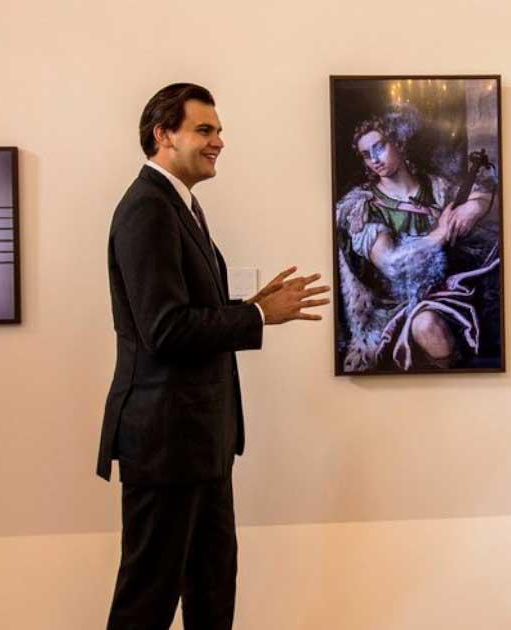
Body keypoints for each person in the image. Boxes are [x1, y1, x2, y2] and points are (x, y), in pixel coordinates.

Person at [96, 82, 328, 630]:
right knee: (147, 600)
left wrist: (250, 307)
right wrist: (255, 316)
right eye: (205, 129)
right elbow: (164, 328)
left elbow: (183, 313)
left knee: (212, 586)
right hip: (165, 441)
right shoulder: (147, 209)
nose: (219, 140)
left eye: (218, 130)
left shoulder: (182, 206)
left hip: (200, 440)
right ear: (163, 135)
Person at [335, 106, 500, 372]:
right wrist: (440, 234)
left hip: (450, 290)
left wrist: (475, 207)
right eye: (367, 155)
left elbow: (487, 201)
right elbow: (392, 264)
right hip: (395, 307)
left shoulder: (436, 187)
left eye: (380, 147)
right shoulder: (363, 207)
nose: (375, 159)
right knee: (427, 325)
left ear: (398, 143)